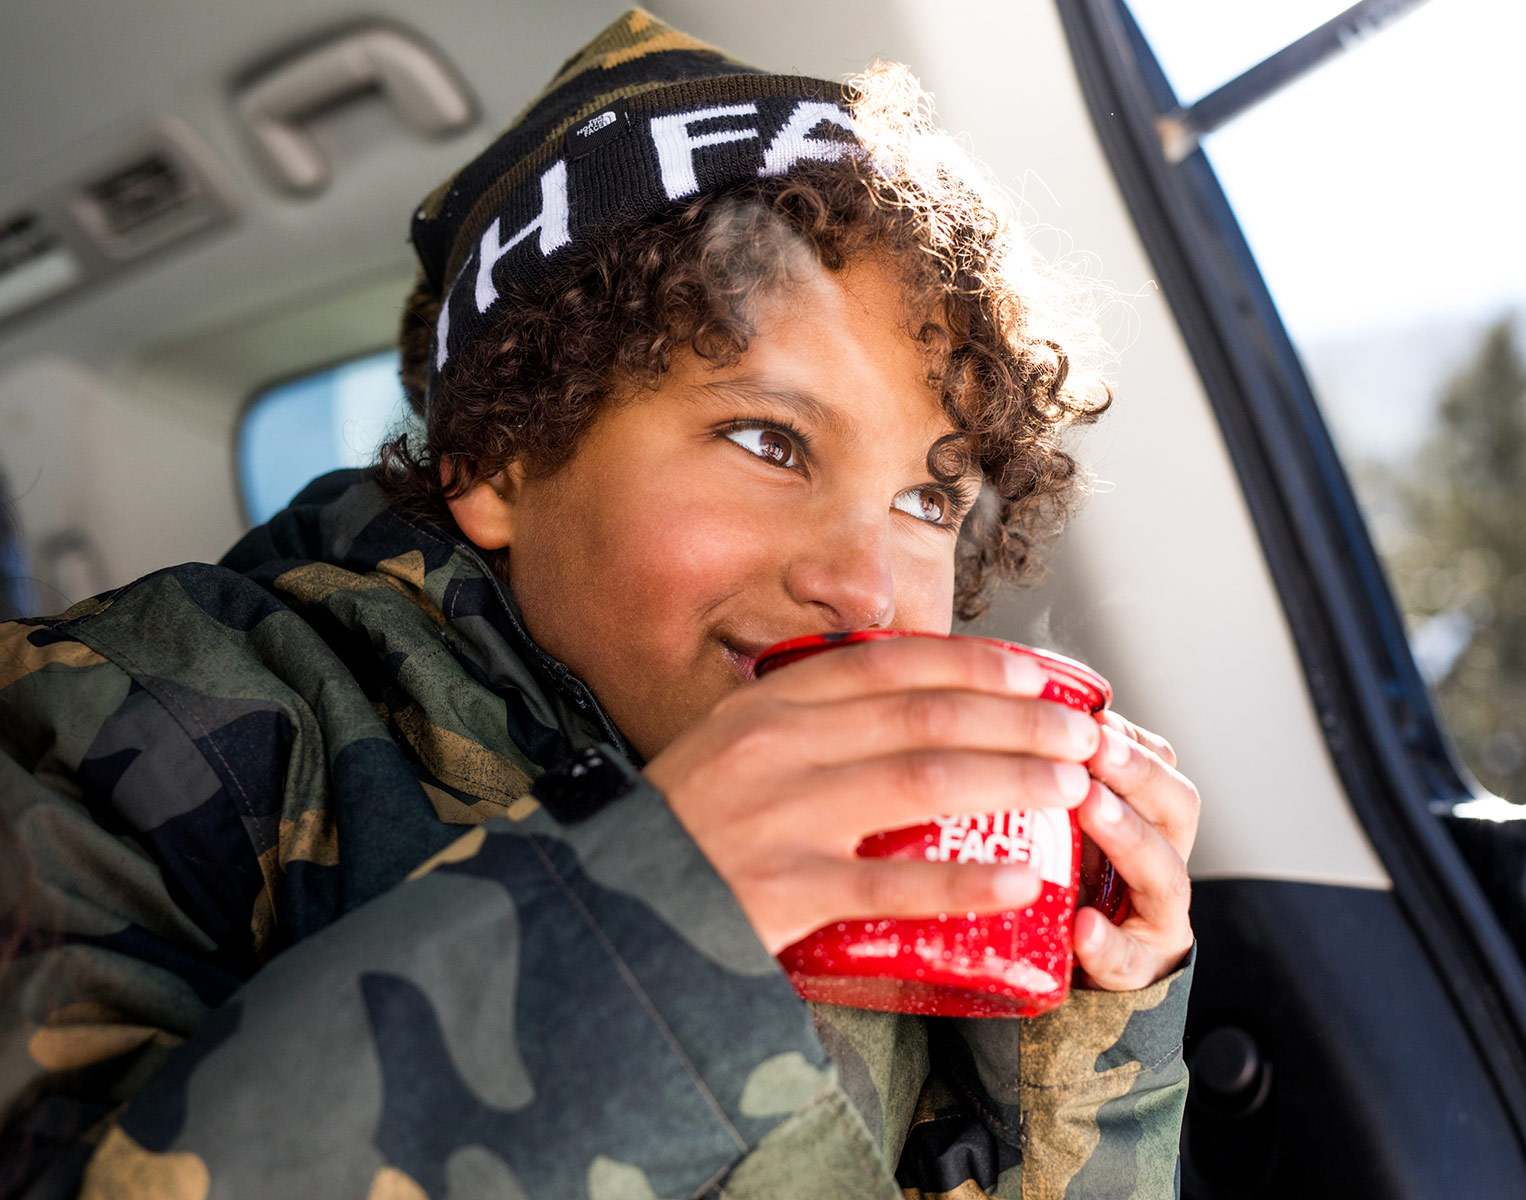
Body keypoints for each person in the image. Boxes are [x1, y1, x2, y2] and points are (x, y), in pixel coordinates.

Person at [0, 11, 1199, 1198]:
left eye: (928, 502)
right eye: (766, 440)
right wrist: (649, 916)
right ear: (498, 460)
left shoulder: (906, 830)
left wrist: (1082, 1033)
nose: (866, 585)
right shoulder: (122, 727)